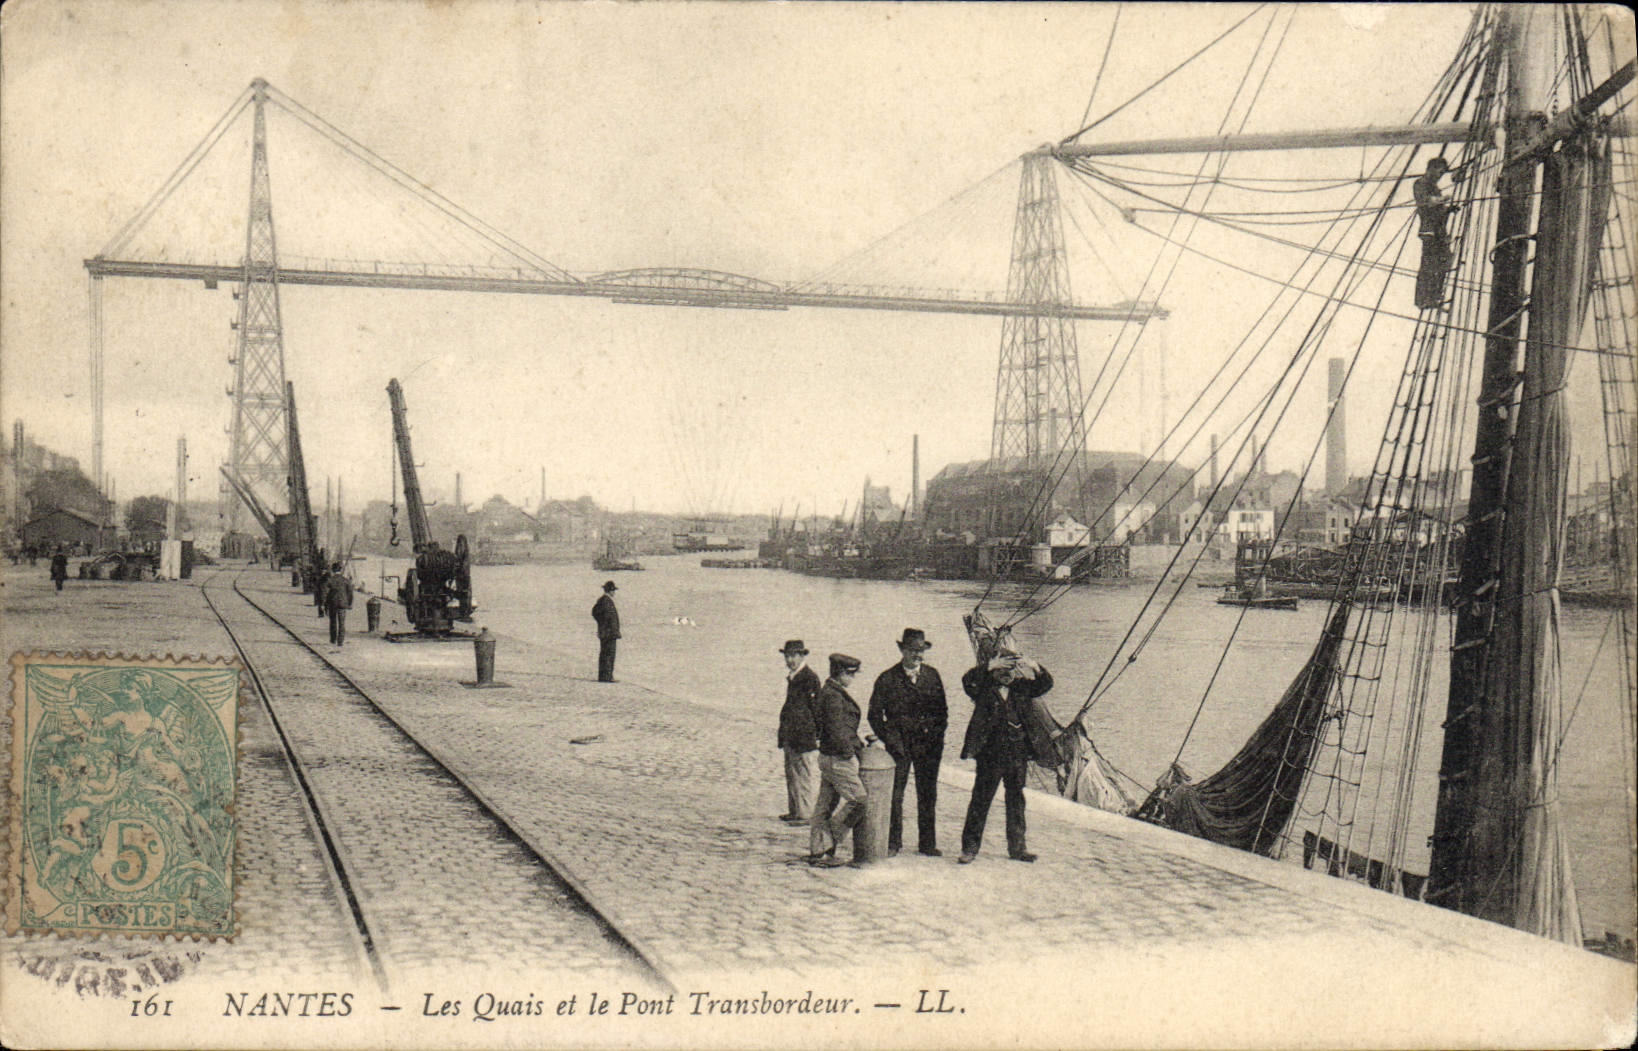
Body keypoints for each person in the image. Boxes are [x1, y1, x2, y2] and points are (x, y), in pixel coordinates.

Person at [958, 647, 1055, 864]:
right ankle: (970, 848)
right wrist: (989, 666)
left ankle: (1018, 848)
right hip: (990, 756)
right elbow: (967, 681)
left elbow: (1046, 684)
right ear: (995, 670)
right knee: (981, 801)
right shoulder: (982, 687)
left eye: (1011, 669)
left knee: (1016, 800)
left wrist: (1034, 666)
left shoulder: (1022, 688)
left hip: (1017, 755)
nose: (1007, 674)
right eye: (1003, 669)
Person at [867, 627, 948, 856]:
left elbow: (942, 712)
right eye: (913, 650)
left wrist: (936, 739)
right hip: (899, 747)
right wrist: (891, 740)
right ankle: (894, 843)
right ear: (902, 650)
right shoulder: (887, 678)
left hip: (928, 747)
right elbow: (874, 715)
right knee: (895, 795)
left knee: (928, 794)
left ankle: (927, 844)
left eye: (921, 651)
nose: (918, 655)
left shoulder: (933, 676)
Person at [808, 653, 866, 868]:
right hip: (838, 758)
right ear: (843, 673)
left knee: (824, 805)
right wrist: (850, 753)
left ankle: (818, 851)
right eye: (852, 675)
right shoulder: (833, 696)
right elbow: (836, 729)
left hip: (828, 756)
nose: (853, 680)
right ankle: (827, 842)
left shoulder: (829, 692)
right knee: (859, 800)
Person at [776, 639, 822, 824]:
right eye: (787, 656)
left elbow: (816, 710)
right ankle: (795, 811)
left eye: (794, 655)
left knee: (803, 775)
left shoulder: (809, 677)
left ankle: (805, 814)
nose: (790, 659)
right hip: (792, 736)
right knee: (792, 774)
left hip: (804, 737)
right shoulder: (795, 676)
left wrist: (817, 735)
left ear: (802, 656)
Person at [1413, 156, 1456, 311]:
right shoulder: (1420, 184)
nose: (1439, 176)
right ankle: (1423, 299)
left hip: (1440, 232)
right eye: (1439, 172)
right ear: (1430, 169)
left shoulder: (1434, 186)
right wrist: (1443, 199)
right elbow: (1426, 202)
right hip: (1430, 231)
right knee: (1429, 264)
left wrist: (1449, 209)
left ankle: (1435, 296)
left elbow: (1438, 208)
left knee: (1444, 262)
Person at [592, 580, 620, 682]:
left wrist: (601, 624)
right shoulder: (606, 601)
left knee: (605, 654)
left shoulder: (602, 600)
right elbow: (605, 616)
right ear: (610, 591)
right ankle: (607, 677)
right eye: (613, 591)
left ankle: (604, 676)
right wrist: (605, 625)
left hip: (605, 632)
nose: (614, 593)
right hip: (609, 633)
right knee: (609, 655)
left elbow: (595, 613)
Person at [323, 562, 354, 646]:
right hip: (343, 604)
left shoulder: (330, 580)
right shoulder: (346, 580)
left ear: (333, 570)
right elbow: (350, 593)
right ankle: (340, 641)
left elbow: (325, 593)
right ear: (340, 570)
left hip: (332, 604)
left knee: (333, 622)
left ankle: (333, 639)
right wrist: (349, 604)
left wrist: (325, 605)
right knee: (342, 623)